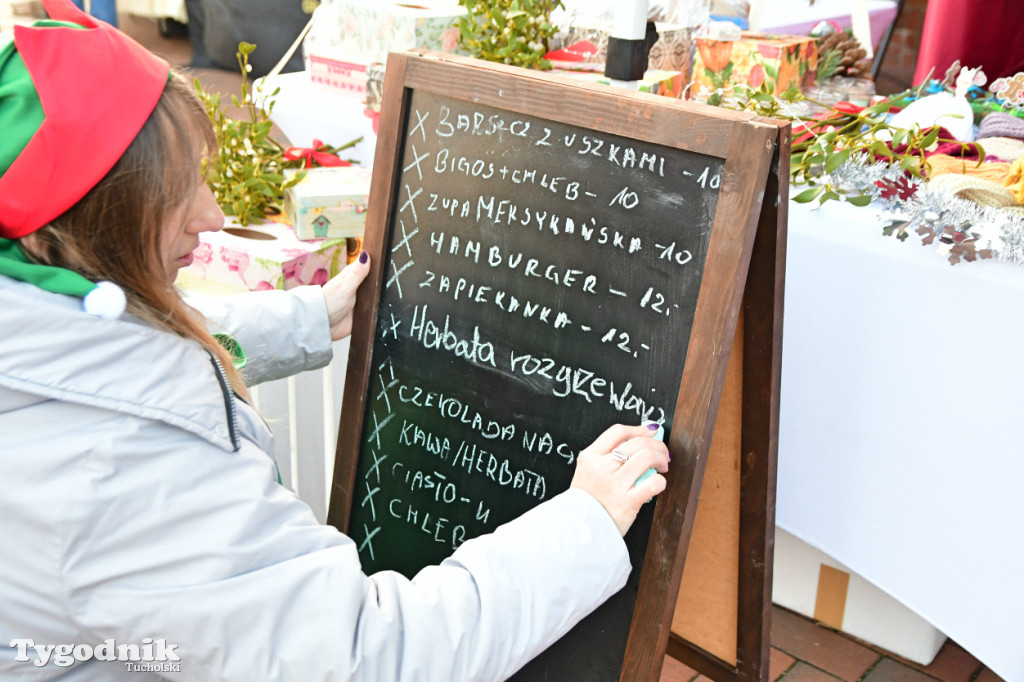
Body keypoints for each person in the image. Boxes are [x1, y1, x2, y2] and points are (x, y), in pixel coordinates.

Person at [0, 1, 671, 679]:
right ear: (69, 232)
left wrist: (308, 318)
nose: (213, 214)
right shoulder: (121, 468)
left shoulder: (35, 310)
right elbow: (364, 659)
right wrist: (584, 525)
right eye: (173, 197)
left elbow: (110, 354)